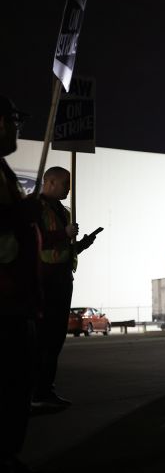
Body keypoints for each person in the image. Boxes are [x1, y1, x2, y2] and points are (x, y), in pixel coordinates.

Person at [31, 166, 97, 408]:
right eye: (65, 183)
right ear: (49, 182)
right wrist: (63, 234)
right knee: (42, 337)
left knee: (56, 338)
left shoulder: (63, 211)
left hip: (62, 278)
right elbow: (34, 241)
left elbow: (63, 250)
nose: (69, 188)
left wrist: (82, 244)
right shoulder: (35, 208)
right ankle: (37, 392)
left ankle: (46, 389)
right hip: (43, 278)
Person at [0, 95, 40, 473]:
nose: (17, 128)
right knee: (10, 383)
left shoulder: (3, 169)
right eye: (13, 120)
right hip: (4, 300)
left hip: (15, 298)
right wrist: (16, 213)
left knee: (17, 382)